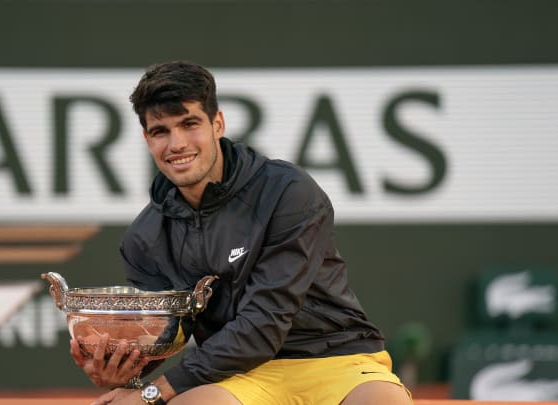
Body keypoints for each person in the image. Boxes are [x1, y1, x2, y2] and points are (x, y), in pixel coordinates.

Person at [70, 61, 413, 405]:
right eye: (161, 131)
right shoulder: (144, 238)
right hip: (237, 376)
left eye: (189, 124)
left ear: (217, 123)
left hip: (338, 359)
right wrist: (127, 368)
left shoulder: (288, 193)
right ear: (147, 138)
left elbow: (265, 324)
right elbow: (169, 336)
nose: (176, 144)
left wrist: (151, 393)